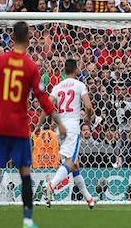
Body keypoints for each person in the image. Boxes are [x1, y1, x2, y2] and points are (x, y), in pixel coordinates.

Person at [0, 21, 67, 228]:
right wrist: (59, 122)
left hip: (0, 125)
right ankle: (27, 222)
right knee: (25, 172)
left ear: (12, 38)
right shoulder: (30, 67)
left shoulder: (0, 61)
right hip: (19, 128)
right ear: (28, 41)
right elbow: (43, 99)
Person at [40, 59, 96, 209]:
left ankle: (89, 199)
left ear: (64, 71)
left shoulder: (57, 87)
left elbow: (47, 106)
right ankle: (51, 185)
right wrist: (89, 119)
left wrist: (40, 124)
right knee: (70, 163)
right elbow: (89, 106)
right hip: (72, 128)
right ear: (76, 69)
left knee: (74, 165)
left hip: (61, 129)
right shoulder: (80, 85)